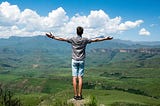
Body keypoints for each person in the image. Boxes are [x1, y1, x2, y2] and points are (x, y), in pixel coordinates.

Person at [46, 26, 113, 100]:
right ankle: (80, 95)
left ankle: (75, 95)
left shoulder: (72, 39)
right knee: (80, 77)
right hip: (81, 60)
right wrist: (105, 38)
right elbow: (96, 40)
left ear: (76, 32)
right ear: (82, 32)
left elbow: (62, 39)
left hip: (74, 60)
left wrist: (52, 37)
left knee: (74, 77)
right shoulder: (85, 40)